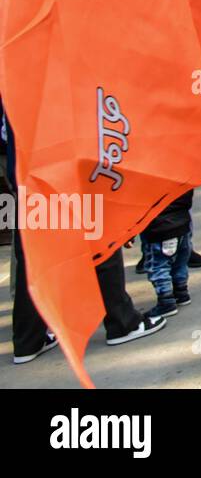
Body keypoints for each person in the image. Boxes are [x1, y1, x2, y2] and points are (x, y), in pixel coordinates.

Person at [4, 107, 166, 363]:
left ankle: (28, 340)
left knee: (33, 252)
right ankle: (122, 321)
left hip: (25, 164)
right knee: (99, 236)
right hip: (65, 156)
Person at [140, 189, 195, 319]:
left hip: (158, 228)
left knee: (159, 266)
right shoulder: (177, 173)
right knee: (180, 263)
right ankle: (181, 292)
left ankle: (166, 301)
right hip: (182, 223)